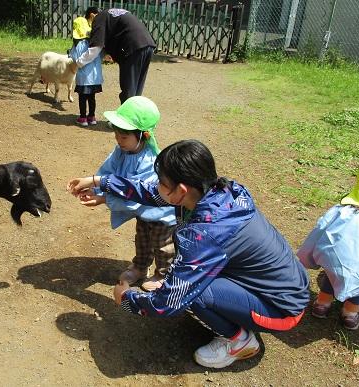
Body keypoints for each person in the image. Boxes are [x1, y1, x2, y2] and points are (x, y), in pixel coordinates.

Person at [67, 139, 310, 369]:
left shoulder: (205, 234)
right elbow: (151, 193)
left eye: (161, 180)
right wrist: (99, 181)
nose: (157, 184)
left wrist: (128, 299)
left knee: (190, 292)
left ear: (181, 190)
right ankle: (235, 313)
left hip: (281, 308)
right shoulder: (220, 192)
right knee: (189, 279)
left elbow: (168, 302)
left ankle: (240, 340)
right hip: (282, 285)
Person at [71, 96, 176, 290]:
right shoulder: (122, 150)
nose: (119, 141)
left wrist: (103, 199)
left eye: (124, 137)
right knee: (142, 240)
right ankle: (139, 267)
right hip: (142, 214)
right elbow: (107, 172)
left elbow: (135, 196)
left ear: (143, 135)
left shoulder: (150, 161)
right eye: (117, 135)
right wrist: (93, 188)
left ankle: (163, 275)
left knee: (162, 246)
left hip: (160, 215)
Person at [297, 167, 359, 330]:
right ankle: (350, 314)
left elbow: (320, 230)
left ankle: (321, 304)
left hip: (334, 259)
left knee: (332, 271)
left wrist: (307, 257)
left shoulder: (342, 211)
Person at [74, 8, 155, 104]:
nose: (91, 27)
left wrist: (79, 62)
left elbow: (96, 47)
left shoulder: (99, 18)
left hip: (132, 46)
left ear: (92, 15)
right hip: (147, 44)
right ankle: (134, 115)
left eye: (90, 23)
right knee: (137, 87)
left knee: (128, 87)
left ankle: (126, 117)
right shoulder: (110, 14)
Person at [68, 16, 104, 126]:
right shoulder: (94, 42)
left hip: (83, 77)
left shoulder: (78, 45)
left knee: (82, 98)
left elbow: (74, 58)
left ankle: (83, 118)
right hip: (95, 77)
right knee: (92, 98)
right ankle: (92, 117)